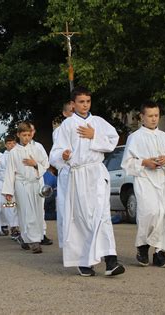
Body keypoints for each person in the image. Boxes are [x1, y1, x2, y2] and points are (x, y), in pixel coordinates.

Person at [50, 87, 125, 277]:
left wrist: (95, 136)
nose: (85, 105)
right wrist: (64, 155)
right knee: (82, 218)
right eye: (81, 102)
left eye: (88, 101)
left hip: (96, 173)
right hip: (77, 175)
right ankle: (84, 261)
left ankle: (111, 260)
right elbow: (55, 153)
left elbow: (112, 140)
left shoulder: (98, 122)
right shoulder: (66, 126)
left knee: (102, 216)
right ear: (73, 104)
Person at [121, 101, 165, 268]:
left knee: (164, 213)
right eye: (150, 116)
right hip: (145, 180)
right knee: (151, 212)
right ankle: (142, 246)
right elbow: (127, 162)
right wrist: (145, 162)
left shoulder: (164, 137)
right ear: (142, 116)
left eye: (156, 115)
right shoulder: (135, 138)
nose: (154, 119)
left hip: (162, 179)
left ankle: (160, 252)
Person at [2, 122, 50, 254]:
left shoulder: (36, 149)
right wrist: (8, 191)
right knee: (25, 212)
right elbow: (10, 172)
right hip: (21, 185)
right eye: (24, 135)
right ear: (18, 135)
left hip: (35, 184)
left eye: (29, 135)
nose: (26, 138)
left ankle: (33, 237)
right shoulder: (13, 152)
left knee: (37, 212)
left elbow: (45, 164)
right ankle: (33, 241)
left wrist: (35, 164)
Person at [50, 100, 74, 248]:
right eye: (70, 111)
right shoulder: (59, 131)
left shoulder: (88, 126)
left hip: (85, 173)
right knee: (66, 209)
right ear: (65, 114)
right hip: (67, 171)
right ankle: (67, 244)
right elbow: (56, 155)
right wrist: (64, 156)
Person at [29, 122, 53, 246]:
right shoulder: (17, 148)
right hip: (23, 183)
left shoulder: (39, 146)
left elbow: (46, 164)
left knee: (40, 208)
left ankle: (41, 234)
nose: (30, 134)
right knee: (27, 209)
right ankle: (27, 235)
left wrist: (35, 165)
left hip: (38, 180)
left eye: (32, 131)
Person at [0, 134, 20, 239]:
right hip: (8, 187)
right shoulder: (2, 158)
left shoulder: (20, 155)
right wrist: (10, 178)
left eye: (14, 143)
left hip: (20, 185)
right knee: (10, 207)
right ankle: (13, 228)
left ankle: (21, 227)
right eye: (9, 143)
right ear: (6, 145)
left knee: (20, 207)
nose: (12, 145)